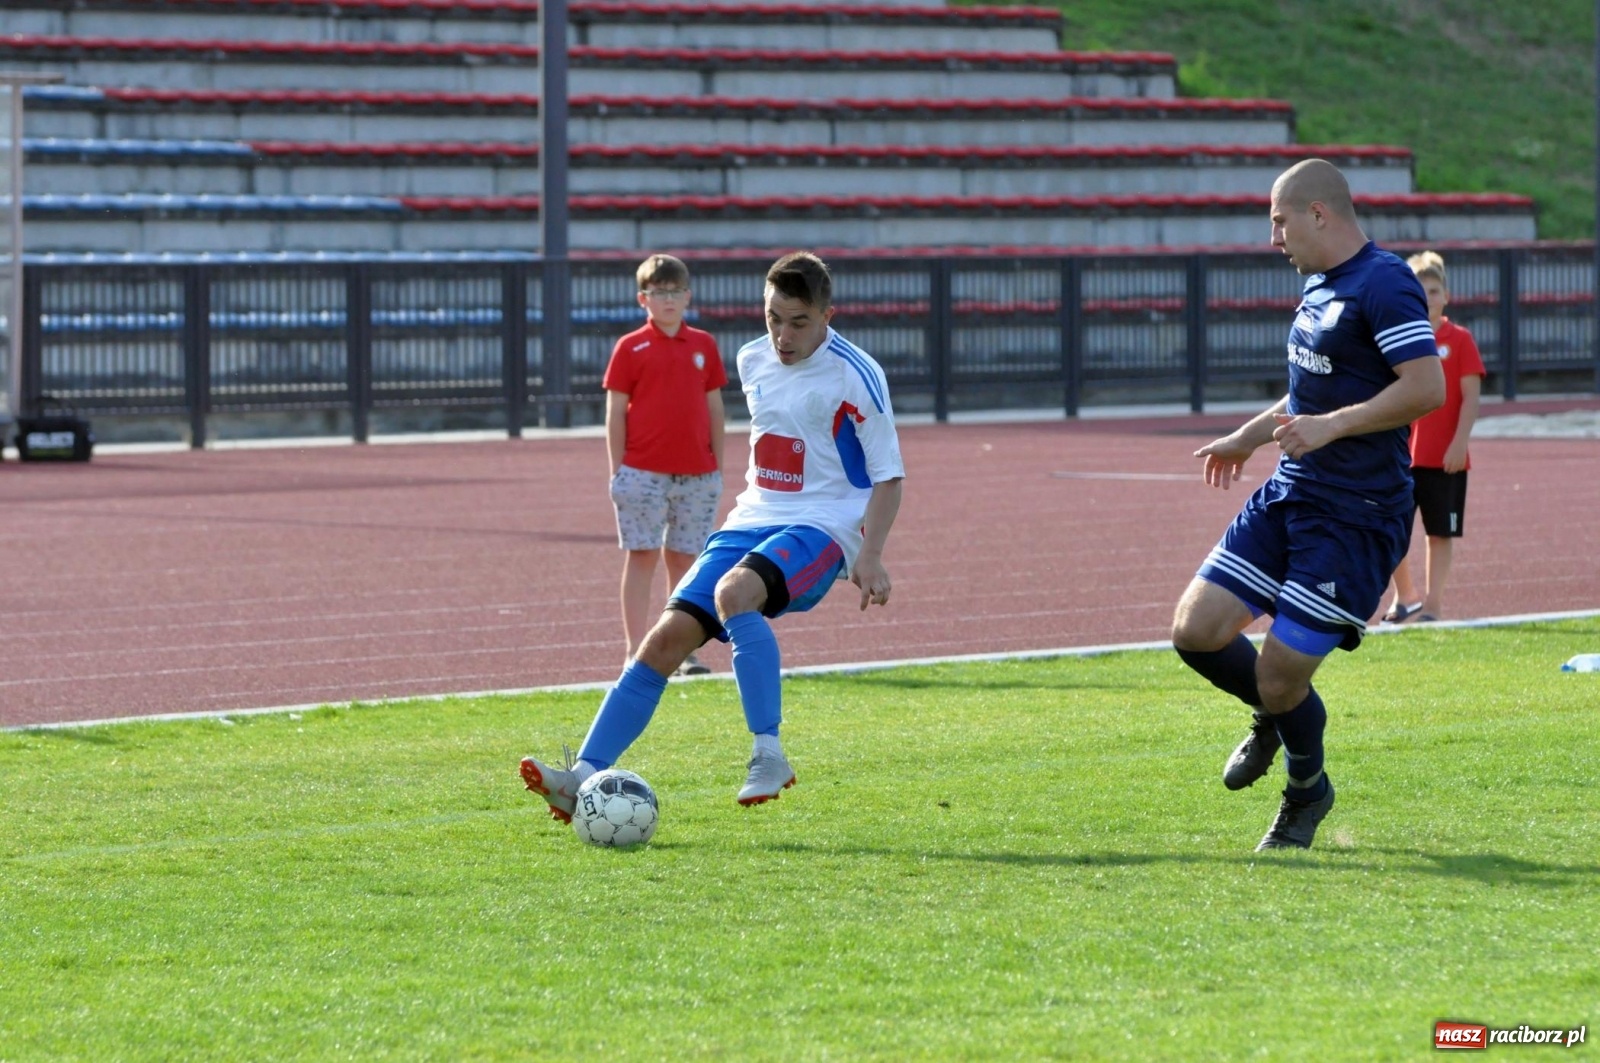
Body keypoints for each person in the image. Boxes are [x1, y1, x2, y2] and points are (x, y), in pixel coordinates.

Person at [522, 251, 905, 819]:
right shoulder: (752, 359)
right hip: (752, 518)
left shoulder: (857, 373)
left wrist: (870, 554)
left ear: (828, 315)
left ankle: (768, 753)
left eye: (798, 321)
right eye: (773, 317)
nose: (782, 333)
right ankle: (580, 776)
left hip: (824, 527)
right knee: (663, 642)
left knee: (734, 595)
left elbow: (889, 475)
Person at [1171, 159, 1445, 851]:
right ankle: (1274, 710)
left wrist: (1334, 426)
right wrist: (1248, 436)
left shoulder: (1386, 282)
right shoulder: (1320, 286)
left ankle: (1306, 789)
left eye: (1279, 220)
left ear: (1319, 213)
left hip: (1357, 513)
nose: (1273, 237)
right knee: (1195, 629)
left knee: (1279, 671)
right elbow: (1312, 396)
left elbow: (1426, 388)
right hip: (1294, 492)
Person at [603, 253, 728, 677]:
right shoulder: (630, 347)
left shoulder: (704, 345)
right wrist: (617, 469)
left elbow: (714, 407)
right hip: (642, 471)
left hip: (696, 473)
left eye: (675, 291)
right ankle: (634, 651)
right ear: (644, 299)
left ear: (688, 296)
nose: (668, 300)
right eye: (659, 292)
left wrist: (717, 465)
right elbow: (615, 411)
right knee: (641, 557)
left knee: (686, 561)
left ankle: (681, 651)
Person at [1381, 251, 1485, 625]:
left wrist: (1459, 443)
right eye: (1420, 290)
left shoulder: (1459, 339)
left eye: (1434, 290)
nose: (1427, 298)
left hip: (1445, 458)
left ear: (1446, 295)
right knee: (1389, 529)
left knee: (1440, 534)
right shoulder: (1397, 339)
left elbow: (1471, 396)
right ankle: (1405, 597)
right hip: (1399, 456)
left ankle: (1433, 606)